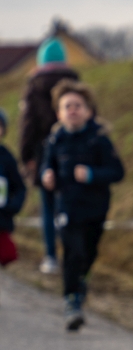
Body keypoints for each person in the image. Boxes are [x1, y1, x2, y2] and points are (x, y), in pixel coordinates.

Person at [41, 80, 125, 331]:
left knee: (88, 253)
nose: (73, 110)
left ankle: (82, 279)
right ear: (59, 113)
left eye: (78, 105)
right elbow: (49, 166)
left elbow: (118, 172)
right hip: (67, 207)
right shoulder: (56, 140)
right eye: (68, 106)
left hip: (95, 208)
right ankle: (71, 302)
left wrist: (91, 175)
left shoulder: (99, 140)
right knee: (72, 252)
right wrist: (47, 175)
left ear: (89, 111)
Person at [19, 37, 79, 275]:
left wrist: (27, 157)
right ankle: (72, 255)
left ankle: (51, 257)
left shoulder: (34, 86)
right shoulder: (74, 84)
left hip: (43, 152)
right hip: (73, 151)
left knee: (47, 206)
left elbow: (28, 125)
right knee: (70, 206)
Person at [0, 109, 28, 274]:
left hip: (1, 220)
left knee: (6, 254)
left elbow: (20, 188)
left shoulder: (7, 158)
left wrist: (12, 206)